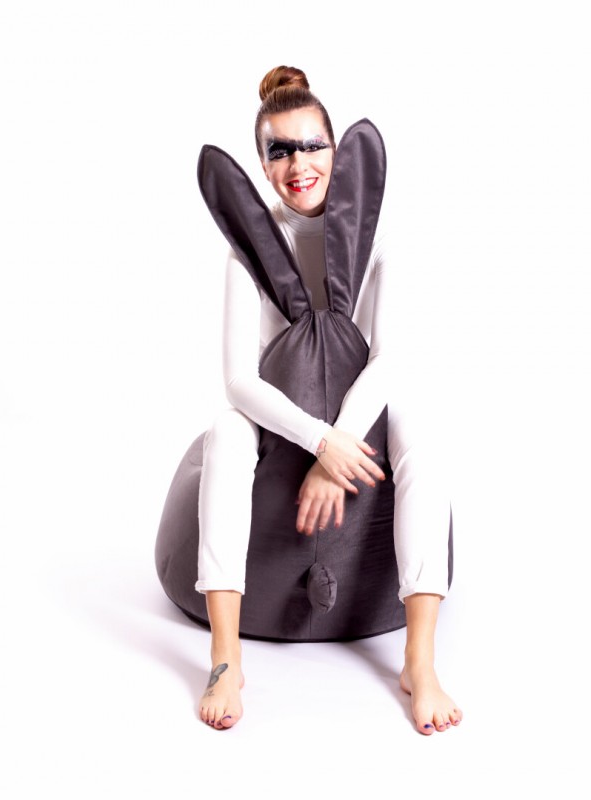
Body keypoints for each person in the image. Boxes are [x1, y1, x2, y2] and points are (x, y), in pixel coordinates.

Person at [195, 65, 462, 735]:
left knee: (422, 432)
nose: (299, 164)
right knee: (224, 432)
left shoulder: (376, 239)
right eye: (279, 150)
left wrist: (336, 452)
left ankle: (419, 661)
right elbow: (239, 380)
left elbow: (390, 358)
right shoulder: (248, 248)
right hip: (283, 415)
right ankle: (225, 657)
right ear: (262, 164)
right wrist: (318, 441)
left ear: (336, 150)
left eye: (312, 145)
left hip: (358, 412)